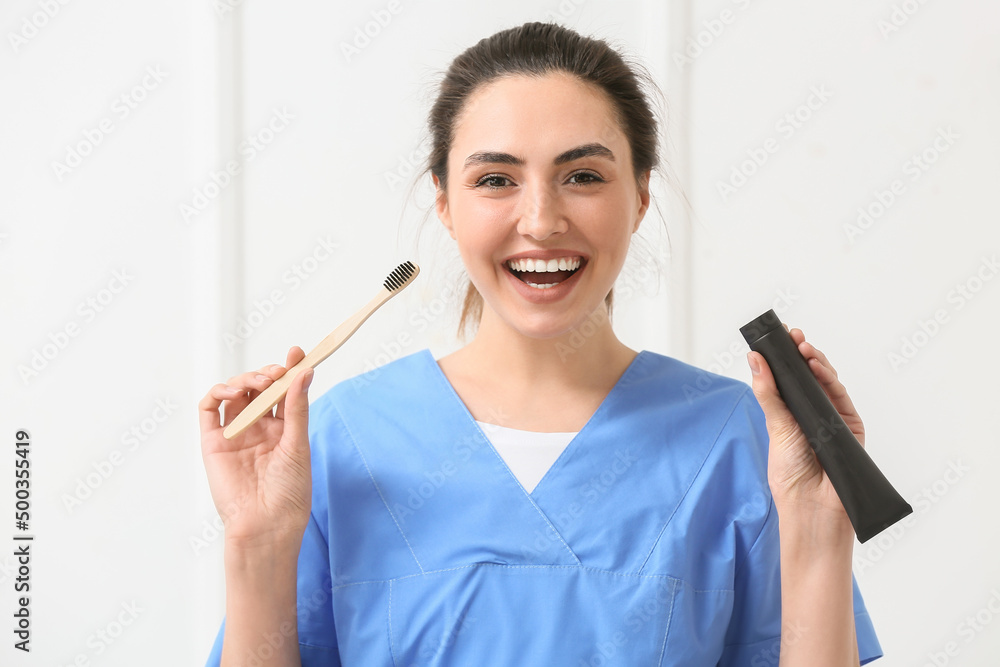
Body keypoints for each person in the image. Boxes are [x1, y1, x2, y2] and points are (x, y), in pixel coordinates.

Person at [200, 21, 883, 666]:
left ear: (641, 194)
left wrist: (821, 527)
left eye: (583, 175)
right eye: (495, 179)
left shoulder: (742, 440)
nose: (541, 220)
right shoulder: (339, 440)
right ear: (444, 201)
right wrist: (255, 543)